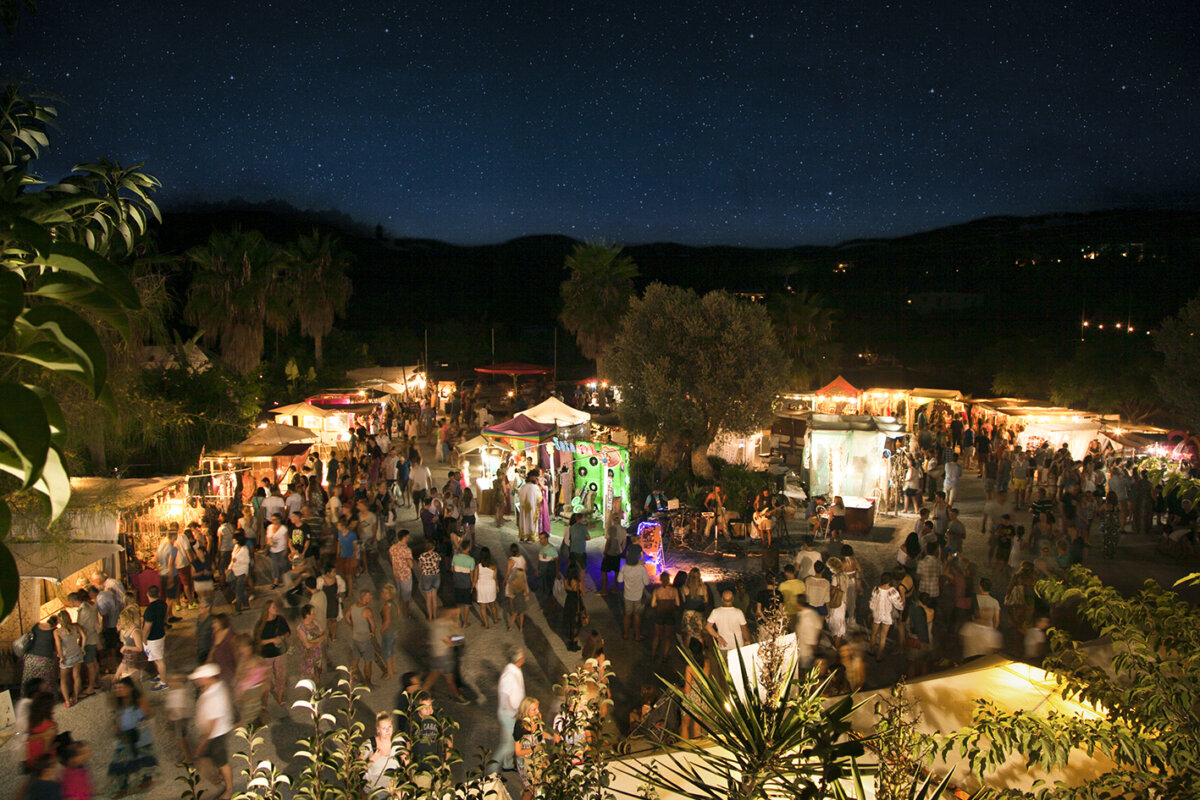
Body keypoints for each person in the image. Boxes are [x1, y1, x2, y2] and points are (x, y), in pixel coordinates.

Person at [191, 663, 234, 800]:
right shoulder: (214, 687)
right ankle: (221, 775)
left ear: (209, 677)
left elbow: (213, 723)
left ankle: (229, 789)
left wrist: (203, 742)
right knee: (216, 759)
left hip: (216, 734)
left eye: (200, 677)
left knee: (222, 761)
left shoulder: (215, 695)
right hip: (216, 732)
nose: (197, 680)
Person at [106, 677, 156, 795]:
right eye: (116, 688)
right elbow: (116, 720)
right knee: (121, 761)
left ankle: (145, 779)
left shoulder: (139, 700)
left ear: (130, 688)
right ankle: (122, 787)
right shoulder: (117, 703)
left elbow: (148, 714)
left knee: (141, 759)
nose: (118, 690)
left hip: (139, 736)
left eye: (121, 687)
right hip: (124, 737)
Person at [422, 607, 470, 704]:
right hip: (444, 657)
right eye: (449, 614)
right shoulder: (441, 628)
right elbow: (449, 642)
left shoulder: (435, 624)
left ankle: (422, 696)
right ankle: (457, 697)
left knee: (432, 676)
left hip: (436, 655)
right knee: (450, 679)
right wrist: (458, 639)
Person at [492, 645, 526, 774]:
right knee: (507, 744)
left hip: (512, 713)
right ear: (519, 659)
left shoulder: (514, 670)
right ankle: (492, 770)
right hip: (509, 714)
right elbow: (505, 696)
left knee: (509, 741)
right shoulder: (509, 675)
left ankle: (507, 764)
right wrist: (512, 712)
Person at [254, 600, 291, 708]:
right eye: (273, 607)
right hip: (266, 655)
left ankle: (279, 698)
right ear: (268, 610)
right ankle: (264, 703)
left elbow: (288, 632)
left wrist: (282, 637)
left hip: (280, 653)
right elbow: (257, 641)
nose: (276, 608)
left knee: (280, 677)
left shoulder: (281, 619)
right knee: (265, 680)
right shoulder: (261, 624)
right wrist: (272, 640)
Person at [513, 696, 546, 800]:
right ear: (526, 711)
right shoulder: (520, 726)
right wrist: (534, 750)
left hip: (538, 761)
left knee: (538, 791)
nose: (538, 711)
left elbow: (540, 738)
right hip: (525, 764)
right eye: (534, 709)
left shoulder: (538, 720)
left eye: (538, 708)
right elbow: (518, 752)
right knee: (530, 791)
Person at [361, 711, 400, 797]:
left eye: (389, 727)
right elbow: (357, 768)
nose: (387, 731)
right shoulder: (370, 744)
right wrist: (371, 760)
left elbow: (407, 762)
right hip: (374, 789)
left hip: (392, 789)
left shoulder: (398, 741)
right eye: (384, 728)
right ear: (378, 730)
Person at [347, 590, 379, 688]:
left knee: (356, 658)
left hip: (355, 637)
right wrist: (372, 632)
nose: (370, 599)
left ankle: (352, 678)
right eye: (369, 597)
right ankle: (368, 683)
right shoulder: (367, 611)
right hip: (365, 639)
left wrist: (353, 626)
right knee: (368, 661)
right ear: (364, 597)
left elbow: (347, 617)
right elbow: (373, 625)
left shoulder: (353, 606)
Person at [617, 548, 650, 641]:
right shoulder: (641, 569)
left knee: (627, 614)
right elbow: (647, 582)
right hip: (638, 596)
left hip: (627, 595)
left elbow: (619, 580)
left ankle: (626, 634)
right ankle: (637, 635)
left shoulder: (624, 567)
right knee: (637, 615)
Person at [869, 573, 904, 660]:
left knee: (873, 634)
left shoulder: (876, 589)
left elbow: (872, 603)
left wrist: (872, 611)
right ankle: (879, 656)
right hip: (887, 615)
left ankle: (872, 650)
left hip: (877, 614)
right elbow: (899, 605)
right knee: (883, 636)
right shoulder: (892, 591)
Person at [54, 610, 85, 707]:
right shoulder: (76, 627)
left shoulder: (57, 632)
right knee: (76, 676)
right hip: (77, 654)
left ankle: (67, 701)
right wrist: (82, 648)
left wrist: (61, 657)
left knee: (63, 679)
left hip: (66, 657)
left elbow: (59, 646)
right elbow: (84, 636)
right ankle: (75, 697)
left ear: (59, 621)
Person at [142, 585, 169, 690]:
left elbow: (147, 627)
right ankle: (160, 675)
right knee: (157, 657)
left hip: (153, 638)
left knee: (158, 659)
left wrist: (144, 639)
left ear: (147, 594)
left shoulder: (149, 610)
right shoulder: (163, 604)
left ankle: (163, 682)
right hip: (161, 633)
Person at [25, 691, 58, 772]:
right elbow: (46, 749)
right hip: (42, 760)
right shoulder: (51, 726)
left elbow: (27, 738)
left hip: (30, 757)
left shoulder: (31, 720)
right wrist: (57, 745)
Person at [388, 529, 415, 620]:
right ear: (405, 537)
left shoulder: (392, 548)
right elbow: (411, 565)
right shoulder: (406, 550)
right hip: (405, 575)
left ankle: (398, 611)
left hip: (396, 574)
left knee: (398, 594)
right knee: (406, 597)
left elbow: (391, 560)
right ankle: (405, 614)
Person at [680, 568, 709, 651]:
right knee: (699, 635)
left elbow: (684, 601)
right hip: (699, 614)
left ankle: (688, 654)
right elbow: (706, 600)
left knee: (688, 635)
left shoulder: (684, 588)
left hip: (688, 614)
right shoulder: (703, 587)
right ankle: (702, 652)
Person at [296, 604, 326, 683]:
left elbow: (324, 635)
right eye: (313, 613)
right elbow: (307, 646)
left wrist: (312, 641)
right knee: (310, 677)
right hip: (308, 658)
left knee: (318, 673)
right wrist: (318, 641)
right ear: (307, 615)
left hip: (318, 654)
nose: (314, 615)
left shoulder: (315, 622)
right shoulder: (301, 629)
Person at [451, 540, 477, 629]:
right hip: (466, 584)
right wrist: (473, 584)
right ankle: (464, 623)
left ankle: (456, 621)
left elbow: (452, 569)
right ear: (468, 548)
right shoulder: (471, 560)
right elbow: (471, 574)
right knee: (466, 604)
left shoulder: (455, 557)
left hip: (457, 582)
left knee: (458, 603)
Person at [563, 562, 586, 651]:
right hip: (576, 603)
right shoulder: (577, 582)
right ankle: (575, 644)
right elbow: (583, 594)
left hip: (569, 602)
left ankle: (569, 644)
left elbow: (568, 590)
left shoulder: (565, 580)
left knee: (569, 621)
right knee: (576, 623)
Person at [475, 547, 500, 627]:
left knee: (482, 607)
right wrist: (497, 586)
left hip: (481, 586)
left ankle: (486, 624)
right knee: (492, 604)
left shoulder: (478, 566)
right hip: (490, 585)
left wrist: (474, 587)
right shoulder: (493, 566)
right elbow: (495, 578)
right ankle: (495, 619)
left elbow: (475, 578)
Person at [417, 540, 442, 622]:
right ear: (433, 547)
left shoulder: (422, 556)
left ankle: (430, 617)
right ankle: (435, 616)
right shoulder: (436, 555)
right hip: (436, 576)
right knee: (434, 597)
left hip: (426, 576)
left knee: (428, 598)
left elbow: (419, 566)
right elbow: (438, 564)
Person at [228, 533, 251, 613]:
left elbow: (247, 561)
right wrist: (229, 568)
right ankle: (246, 604)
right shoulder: (236, 547)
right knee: (239, 589)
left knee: (238, 591)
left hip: (242, 572)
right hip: (235, 570)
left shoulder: (244, 549)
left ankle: (237, 609)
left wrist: (238, 560)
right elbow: (233, 559)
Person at [507, 566, 531, 632]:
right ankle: (521, 628)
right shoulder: (524, 583)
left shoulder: (513, 582)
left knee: (514, 614)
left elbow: (508, 589)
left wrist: (511, 595)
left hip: (515, 598)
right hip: (521, 598)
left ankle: (510, 627)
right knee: (521, 614)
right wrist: (527, 596)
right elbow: (527, 592)